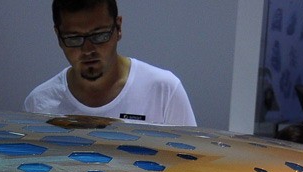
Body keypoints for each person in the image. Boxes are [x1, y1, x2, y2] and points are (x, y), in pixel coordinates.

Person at [24, 0, 196, 125]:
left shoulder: (164, 91)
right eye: (74, 38)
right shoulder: (39, 103)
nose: (88, 49)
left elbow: (190, 162)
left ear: (118, 28)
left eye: (99, 35)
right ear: (58, 37)